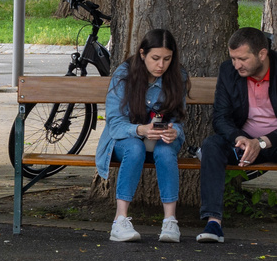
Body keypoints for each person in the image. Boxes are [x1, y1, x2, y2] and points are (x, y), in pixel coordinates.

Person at [94, 29, 188, 243]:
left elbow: (178, 119)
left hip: (160, 140)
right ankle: (120, 220)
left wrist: (174, 131)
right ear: (143, 54)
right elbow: (115, 123)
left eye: (167, 59)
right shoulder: (125, 74)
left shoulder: (177, 76)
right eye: (155, 58)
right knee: (135, 148)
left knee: (166, 151)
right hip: (125, 139)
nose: (161, 65)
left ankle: (170, 221)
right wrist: (140, 130)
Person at [197, 26, 277, 244]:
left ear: (262, 54)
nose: (236, 65)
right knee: (212, 145)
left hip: (273, 140)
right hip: (245, 142)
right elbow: (220, 117)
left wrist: (261, 142)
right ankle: (213, 222)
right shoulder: (228, 71)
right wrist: (239, 138)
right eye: (233, 58)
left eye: (242, 58)